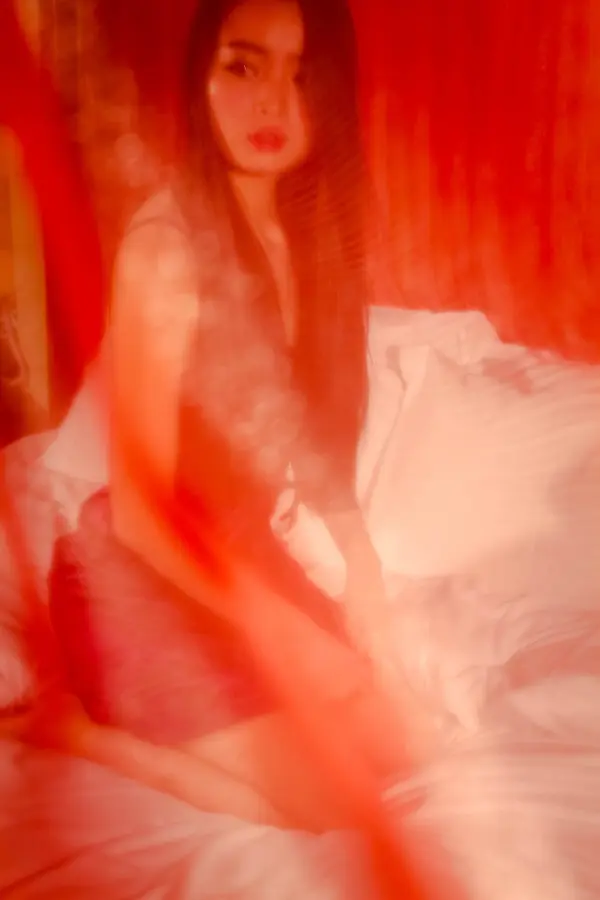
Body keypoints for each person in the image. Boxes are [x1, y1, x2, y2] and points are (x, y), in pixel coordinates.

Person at [43, 0, 428, 883]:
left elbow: (312, 431)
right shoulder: (165, 250)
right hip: (142, 576)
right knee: (344, 808)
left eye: (302, 75)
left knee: (403, 749)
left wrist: (362, 569)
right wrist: (291, 637)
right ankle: (89, 737)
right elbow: (141, 519)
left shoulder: (307, 237)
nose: (272, 104)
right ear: (200, 79)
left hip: (239, 559)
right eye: (244, 66)